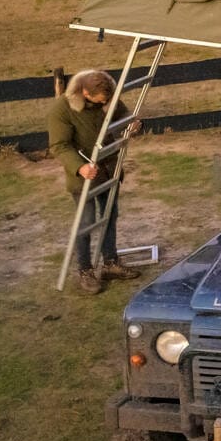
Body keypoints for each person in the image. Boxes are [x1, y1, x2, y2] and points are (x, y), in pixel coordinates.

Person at [47, 69, 140, 294]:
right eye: (101, 100)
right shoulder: (62, 109)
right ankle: (85, 270)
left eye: (108, 100)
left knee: (109, 215)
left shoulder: (108, 98)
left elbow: (124, 118)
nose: (106, 104)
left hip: (109, 170)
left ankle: (110, 263)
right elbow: (59, 145)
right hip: (84, 176)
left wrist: (135, 126)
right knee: (85, 222)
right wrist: (80, 167)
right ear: (86, 93)